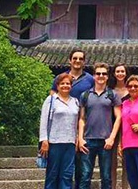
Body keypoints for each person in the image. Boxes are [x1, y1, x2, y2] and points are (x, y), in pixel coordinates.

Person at [51, 49, 95, 189]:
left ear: (84, 61)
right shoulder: (61, 78)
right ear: (70, 60)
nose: (77, 61)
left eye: (80, 58)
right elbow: (52, 97)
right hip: (62, 126)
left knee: (81, 166)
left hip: (83, 124)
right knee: (60, 168)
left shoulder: (90, 79)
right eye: (74, 58)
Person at [78, 63, 122, 189]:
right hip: (88, 140)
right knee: (85, 176)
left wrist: (112, 138)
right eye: (98, 73)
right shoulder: (85, 95)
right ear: (94, 76)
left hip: (105, 141)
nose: (101, 76)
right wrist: (80, 138)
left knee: (106, 177)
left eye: (104, 74)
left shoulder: (112, 94)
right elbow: (81, 118)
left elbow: (119, 117)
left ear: (107, 77)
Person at [40, 73, 81, 189]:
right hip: (54, 142)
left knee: (67, 175)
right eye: (62, 83)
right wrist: (44, 140)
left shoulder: (75, 102)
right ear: (57, 86)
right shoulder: (51, 100)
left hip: (70, 143)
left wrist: (78, 137)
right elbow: (44, 120)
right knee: (52, 174)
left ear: (71, 86)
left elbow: (77, 122)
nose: (65, 86)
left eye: (68, 83)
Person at [111, 63, 131, 189]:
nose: (120, 74)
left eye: (122, 71)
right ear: (114, 73)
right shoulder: (110, 91)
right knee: (112, 163)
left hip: (128, 128)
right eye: (117, 71)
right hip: (111, 127)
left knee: (127, 163)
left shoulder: (132, 90)